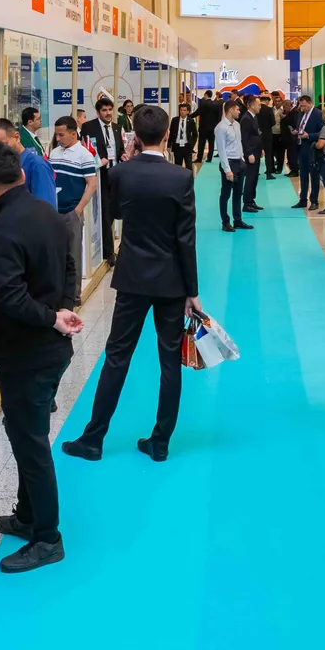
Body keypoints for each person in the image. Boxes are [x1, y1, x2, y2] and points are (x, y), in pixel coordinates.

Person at [65, 105, 199, 462]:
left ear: (134, 136)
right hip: (171, 280)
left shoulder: (121, 173)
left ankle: (93, 439)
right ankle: (160, 441)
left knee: (117, 356)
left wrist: (125, 161)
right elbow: (186, 238)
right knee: (169, 360)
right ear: (167, 134)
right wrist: (193, 291)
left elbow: (116, 213)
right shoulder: (181, 177)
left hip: (133, 277)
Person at [0, 141, 82, 574]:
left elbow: (11, 296)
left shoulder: (5, 229)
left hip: (27, 350)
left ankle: (47, 538)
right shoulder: (46, 212)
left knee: (30, 442)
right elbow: (71, 266)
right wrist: (63, 308)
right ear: (21, 174)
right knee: (24, 430)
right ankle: (27, 514)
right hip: (49, 348)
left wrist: (52, 317)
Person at [50, 116, 99, 303]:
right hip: (53, 212)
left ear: (73, 133)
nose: (58, 138)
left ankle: (74, 295)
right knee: (55, 254)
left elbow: (92, 184)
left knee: (73, 255)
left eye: (61, 135)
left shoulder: (84, 155)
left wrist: (78, 210)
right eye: (56, 135)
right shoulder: (54, 153)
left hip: (71, 211)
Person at [81, 97, 124, 261]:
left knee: (113, 211)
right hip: (100, 175)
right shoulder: (89, 127)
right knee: (104, 212)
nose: (108, 113)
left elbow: (119, 149)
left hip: (116, 174)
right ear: (98, 112)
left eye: (110, 110)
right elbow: (86, 150)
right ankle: (108, 252)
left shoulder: (117, 128)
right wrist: (98, 162)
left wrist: (123, 155)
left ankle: (106, 242)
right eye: (104, 110)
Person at [0, 117, 57, 208]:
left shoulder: (37, 165)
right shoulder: (4, 166)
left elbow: (46, 209)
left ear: (17, 137)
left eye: (3, 145)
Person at [214, 98, 251, 232]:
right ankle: (225, 222)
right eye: (237, 109)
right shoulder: (220, 128)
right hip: (229, 163)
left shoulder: (237, 125)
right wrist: (227, 170)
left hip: (239, 162)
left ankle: (238, 220)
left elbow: (239, 143)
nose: (239, 111)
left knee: (238, 194)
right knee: (225, 195)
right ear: (230, 110)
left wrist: (242, 159)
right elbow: (221, 150)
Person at [292, 95, 324, 211]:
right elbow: (300, 126)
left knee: (314, 176)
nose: (302, 108)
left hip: (312, 149)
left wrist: (309, 136)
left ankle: (314, 201)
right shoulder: (301, 114)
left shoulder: (318, 114)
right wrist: (297, 131)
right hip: (301, 148)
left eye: (304, 106)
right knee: (303, 175)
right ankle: (303, 199)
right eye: (301, 106)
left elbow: (322, 132)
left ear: (310, 103)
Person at [239, 94, 264, 213]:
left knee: (254, 178)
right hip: (251, 153)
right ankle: (247, 203)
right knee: (250, 178)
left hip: (256, 151)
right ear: (252, 105)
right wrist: (249, 153)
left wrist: (261, 149)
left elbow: (256, 134)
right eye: (258, 105)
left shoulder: (254, 117)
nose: (260, 107)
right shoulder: (246, 119)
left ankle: (251, 200)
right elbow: (244, 138)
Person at [168, 100, 198, 168]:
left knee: (189, 166)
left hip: (187, 146)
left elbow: (195, 134)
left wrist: (191, 145)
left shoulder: (191, 121)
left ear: (188, 112)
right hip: (177, 146)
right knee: (178, 166)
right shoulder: (174, 120)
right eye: (181, 110)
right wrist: (169, 145)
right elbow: (171, 133)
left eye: (184, 110)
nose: (182, 112)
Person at [195, 91, 220, 163]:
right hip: (212, 128)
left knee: (201, 144)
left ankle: (199, 158)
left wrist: (189, 116)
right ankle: (209, 158)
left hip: (203, 127)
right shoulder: (216, 104)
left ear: (206, 95)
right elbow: (218, 116)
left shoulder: (203, 104)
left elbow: (197, 112)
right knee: (211, 144)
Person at [257, 93, 278, 179]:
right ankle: (269, 173)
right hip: (267, 135)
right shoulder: (269, 110)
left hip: (257, 135)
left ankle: (255, 172)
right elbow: (273, 122)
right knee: (268, 155)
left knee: (257, 154)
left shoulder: (255, 109)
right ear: (267, 101)